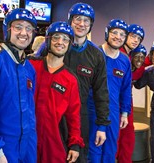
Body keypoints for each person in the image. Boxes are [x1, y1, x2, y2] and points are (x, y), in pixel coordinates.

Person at [0, 8, 37, 162]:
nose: (24, 33)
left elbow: (30, 110)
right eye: (18, 27)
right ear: (8, 30)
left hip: (27, 145)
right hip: (3, 146)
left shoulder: (29, 68)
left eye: (28, 28)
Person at [29, 21, 85, 163]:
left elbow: (74, 115)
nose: (60, 42)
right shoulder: (31, 66)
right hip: (26, 139)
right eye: (56, 37)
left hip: (53, 142)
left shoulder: (70, 80)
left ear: (69, 44)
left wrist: (75, 143)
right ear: (48, 40)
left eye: (65, 39)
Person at [63, 3, 111, 162]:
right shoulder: (55, 46)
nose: (81, 24)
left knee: (79, 156)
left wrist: (102, 126)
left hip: (80, 114)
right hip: (54, 112)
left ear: (91, 25)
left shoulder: (96, 55)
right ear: (70, 21)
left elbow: (101, 92)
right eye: (77, 19)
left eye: (86, 20)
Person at [87, 19, 132, 163]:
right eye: (115, 32)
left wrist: (124, 113)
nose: (118, 37)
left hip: (113, 111)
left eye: (122, 34)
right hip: (93, 108)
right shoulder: (94, 54)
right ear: (107, 33)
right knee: (93, 149)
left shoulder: (125, 61)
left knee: (110, 150)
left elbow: (126, 89)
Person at [117, 23, 145, 163]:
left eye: (139, 38)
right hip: (113, 101)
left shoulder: (129, 56)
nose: (135, 40)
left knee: (127, 135)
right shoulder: (117, 54)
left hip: (126, 100)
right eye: (133, 36)